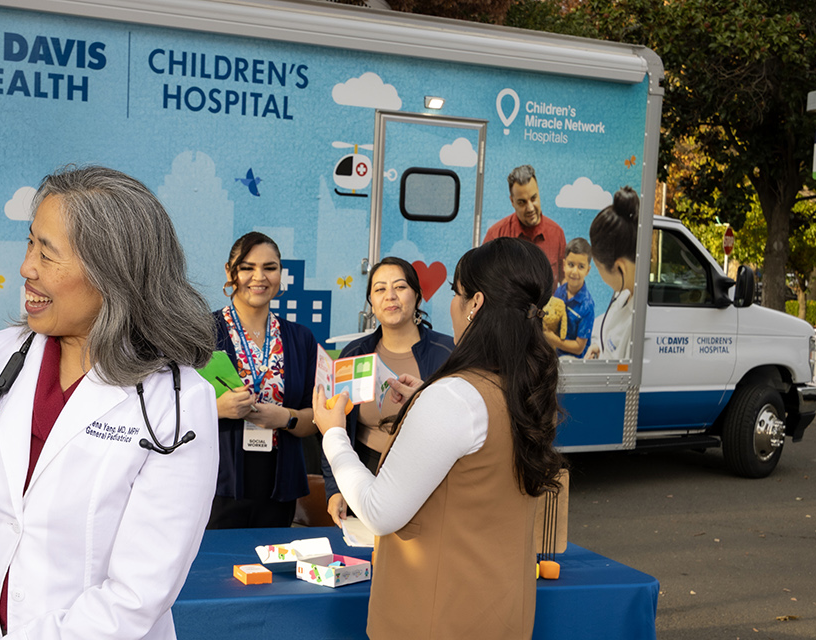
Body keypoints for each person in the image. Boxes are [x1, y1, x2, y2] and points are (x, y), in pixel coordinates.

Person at [0, 165, 219, 639]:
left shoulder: (177, 405)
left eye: (47, 254)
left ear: (111, 274)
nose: (26, 267)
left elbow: (138, 592)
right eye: (31, 243)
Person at [313, 237, 565, 640]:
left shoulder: (453, 397)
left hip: (436, 617)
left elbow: (379, 511)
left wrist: (334, 436)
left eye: (456, 293)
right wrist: (421, 402)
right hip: (499, 611)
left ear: (476, 304)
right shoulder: (517, 386)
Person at [322, 257, 454, 525]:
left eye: (400, 287)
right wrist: (336, 489)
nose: (390, 296)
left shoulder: (448, 353)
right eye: (380, 289)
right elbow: (336, 428)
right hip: (365, 471)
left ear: (417, 296)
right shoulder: (355, 354)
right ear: (371, 302)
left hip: (429, 476)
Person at [209, 232, 320, 529]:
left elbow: (318, 417)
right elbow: (171, 409)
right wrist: (218, 409)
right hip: (217, 484)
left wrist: (286, 417)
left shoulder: (301, 339)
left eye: (269, 268)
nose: (259, 277)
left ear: (280, 273)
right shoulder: (202, 333)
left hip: (278, 485)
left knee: (272, 572)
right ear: (229, 272)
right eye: (247, 267)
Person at [484, 164, 566, 284]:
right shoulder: (495, 235)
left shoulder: (557, 234)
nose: (530, 208)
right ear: (512, 201)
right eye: (522, 202)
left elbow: (566, 284)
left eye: (533, 198)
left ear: (538, 192)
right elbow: (482, 281)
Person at [585, 187, 639, 360]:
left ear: (619, 268)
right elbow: (604, 326)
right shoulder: (623, 295)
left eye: (598, 266)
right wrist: (596, 345)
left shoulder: (637, 325)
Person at [547, 238, 595, 358]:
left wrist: (553, 340)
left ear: (588, 270)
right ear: (564, 265)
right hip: (555, 353)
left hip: (575, 360)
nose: (574, 271)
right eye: (571, 265)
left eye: (581, 267)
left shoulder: (587, 305)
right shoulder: (560, 291)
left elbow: (579, 348)